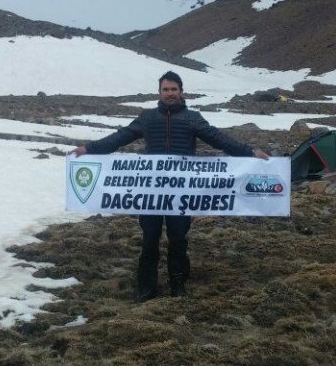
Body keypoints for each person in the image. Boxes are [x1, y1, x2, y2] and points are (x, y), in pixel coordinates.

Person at [70, 71, 269, 302]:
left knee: (178, 238)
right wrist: (89, 148)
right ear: (159, 92)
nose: (170, 93)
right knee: (149, 238)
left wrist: (249, 152)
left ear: (181, 92)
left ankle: (178, 284)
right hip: (151, 193)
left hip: (182, 193)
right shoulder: (147, 118)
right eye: (166, 89)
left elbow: (219, 139)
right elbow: (120, 138)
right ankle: (146, 287)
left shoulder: (193, 118)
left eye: (174, 89)